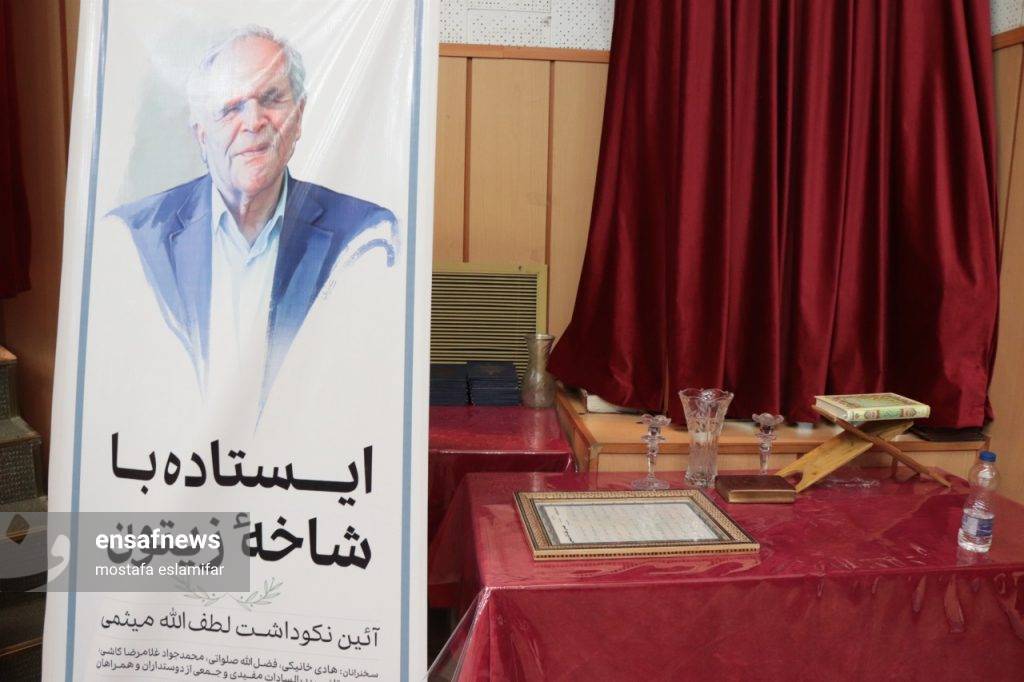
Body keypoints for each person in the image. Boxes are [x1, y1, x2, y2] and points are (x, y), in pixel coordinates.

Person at [108, 26, 396, 409]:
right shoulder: (132, 237)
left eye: (271, 98)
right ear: (200, 133)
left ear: (299, 115)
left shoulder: (366, 237)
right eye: (230, 107)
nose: (253, 121)